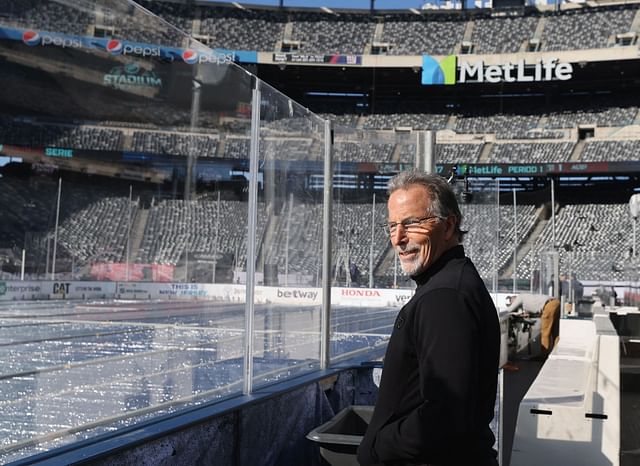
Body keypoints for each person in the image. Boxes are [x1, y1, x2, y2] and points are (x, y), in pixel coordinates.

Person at [357, 171, 500, 466]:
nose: (398, 239)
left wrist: (379, 446)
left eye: (411, 223)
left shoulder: (444, 296)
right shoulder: (449, 284)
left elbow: (446, 413)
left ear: (447, 226)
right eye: (392, 225)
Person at [505, 293, 560, 357]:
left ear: (513, 299)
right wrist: (530, 315)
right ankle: (556, 351)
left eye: (512, 303)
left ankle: (544, 355)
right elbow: (538, 310)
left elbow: (509, 310)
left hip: (549, 305)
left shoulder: (520, 297)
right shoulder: (526, 299)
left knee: (545, 331)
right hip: (555, 302)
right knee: (555, 331)